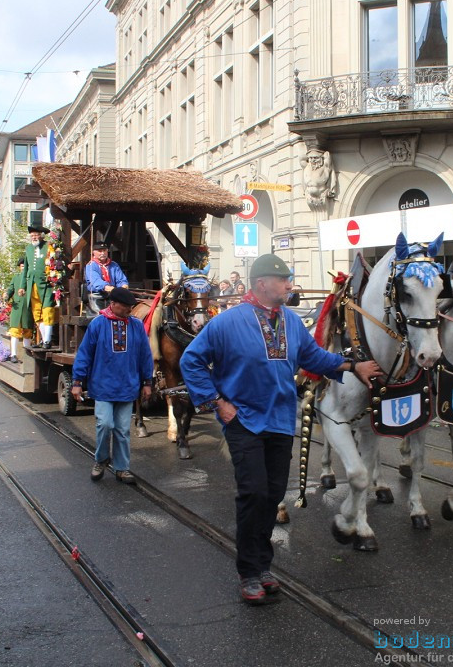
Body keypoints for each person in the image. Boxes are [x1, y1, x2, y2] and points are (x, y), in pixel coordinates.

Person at [180, 253, 383, 604]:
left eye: (290, 279)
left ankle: (262, 567)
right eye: (284, 279)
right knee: (254, 493)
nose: (291, 285)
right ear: (262, 284)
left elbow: (314, 358)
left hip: (279, 420)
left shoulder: (290, 321)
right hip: (243, 420)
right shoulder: (228, 322)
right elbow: (191, 360)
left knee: (273, 496)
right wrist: (216, 402)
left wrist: (352, 365)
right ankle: (249, 573)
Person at [71, 288, 153, 485]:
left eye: (130, 307)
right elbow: (84, 354)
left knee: (123, 430)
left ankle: (122, 468)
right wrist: (77, 382)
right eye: (125, 306)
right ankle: (100, 460)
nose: (129, 310)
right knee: (105, 425)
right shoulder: (98, 324)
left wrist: (147, 382)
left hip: (127, 385)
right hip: (103, 386)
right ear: (113, 304)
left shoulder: (136, 326)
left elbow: (145, 355)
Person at [20, 224, 60, 348]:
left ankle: (48, 340)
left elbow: (54, 264)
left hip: (46, 284)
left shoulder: (48, 247)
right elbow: (25, 269)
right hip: (32, 284)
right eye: (32, 235)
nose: (34, 237)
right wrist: (22, 286)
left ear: (41, 235)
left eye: (36, 235)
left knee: (47, 310)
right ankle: (44, 339)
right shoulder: (28, 249)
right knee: (37, 312)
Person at [84, 242, 129, 314]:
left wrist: (124, 286)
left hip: (113, 297)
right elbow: (96, 282)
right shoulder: (91, 265)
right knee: (100, 319)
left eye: (104, 250)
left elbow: (121, 279)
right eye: (100, 251)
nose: (103, 253)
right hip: (97, 297)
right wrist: (109, 288)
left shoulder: (114, 265)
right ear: (93, 252)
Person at [5, 257, 34, 361]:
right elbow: (11, 289)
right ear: (19, 267)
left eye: (25, 266)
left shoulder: (31, 278)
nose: (23, 268)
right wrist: (7, 296)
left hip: (28, 307)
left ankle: (27, 354)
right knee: (14, 331)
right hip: (17, 308)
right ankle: (13, 354)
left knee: (27, 331)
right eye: (22, 266)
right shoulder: (16, 278)